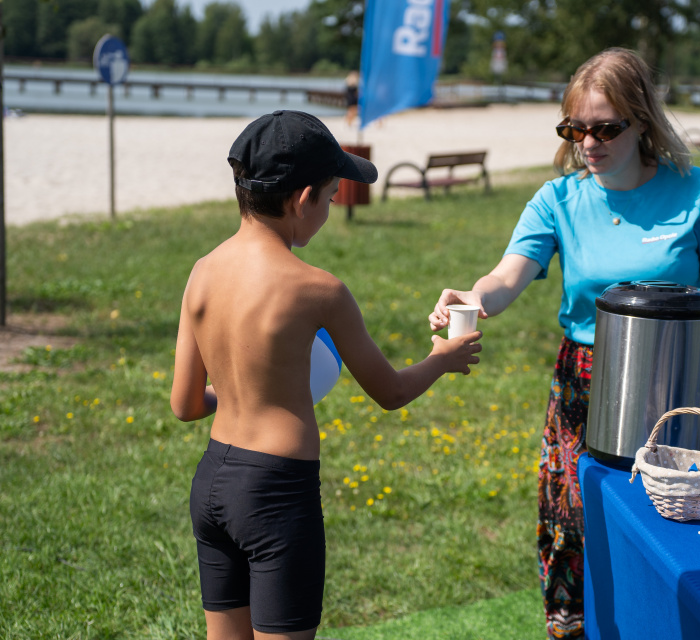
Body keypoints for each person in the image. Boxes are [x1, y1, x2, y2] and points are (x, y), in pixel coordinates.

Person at [428, 48, 700, 639]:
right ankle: (577, 628)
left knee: (690, 517)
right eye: (575, 128)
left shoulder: (697, 192)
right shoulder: (557, 200)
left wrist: (691, 341)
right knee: (576, 520)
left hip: (685, 376)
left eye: (605, 128)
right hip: (586, 378)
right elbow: (506, 278)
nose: (589, 142)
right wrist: (470, 300)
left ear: (643, 123)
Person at [170, 110, 482, 640]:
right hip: (275, 494)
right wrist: (443, 359)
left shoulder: (203, 270)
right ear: (301, 199)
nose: (331, 208)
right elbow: (391, 391)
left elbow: (185, 405)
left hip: (213, 483)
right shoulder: (319, 290)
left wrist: (247, 383)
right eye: (333, 197)